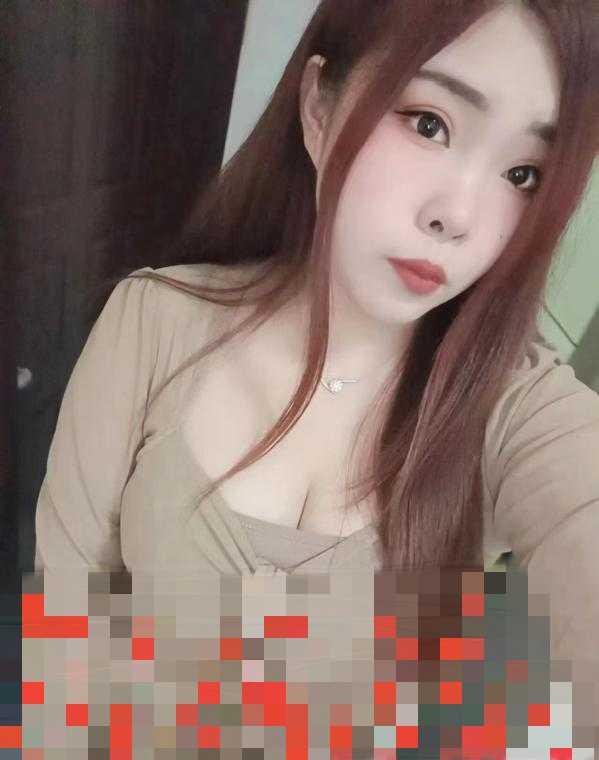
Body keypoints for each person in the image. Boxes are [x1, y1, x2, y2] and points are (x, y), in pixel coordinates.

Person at [34, 0, 599, 739]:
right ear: (318, 108)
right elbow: (64, 638)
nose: (457, 216)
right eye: (429, 124)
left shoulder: (510, 411)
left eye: (523, 174)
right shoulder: (155, 318)